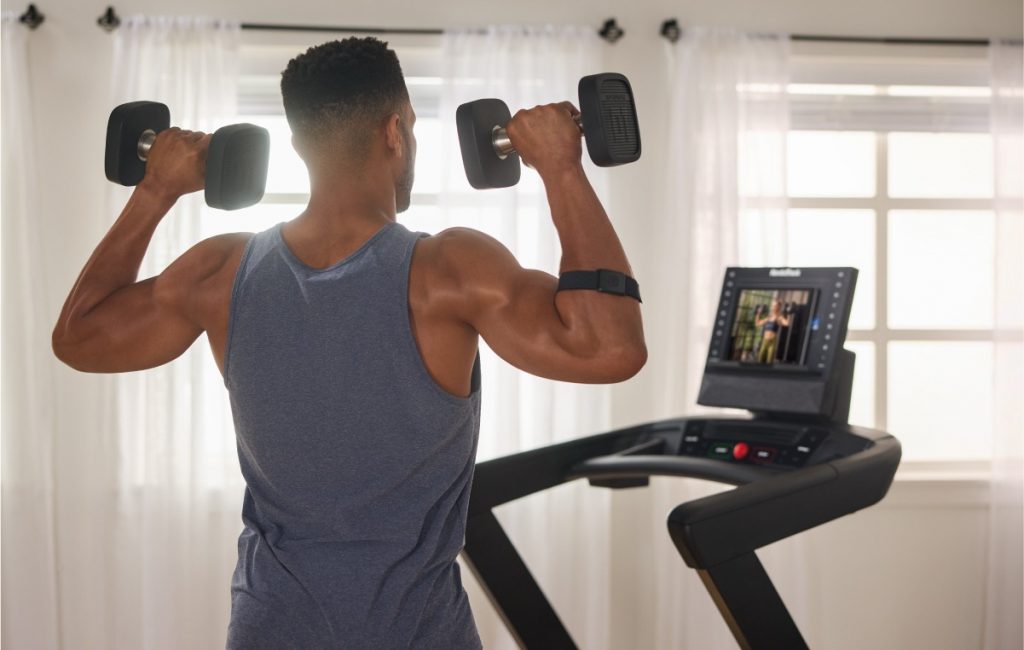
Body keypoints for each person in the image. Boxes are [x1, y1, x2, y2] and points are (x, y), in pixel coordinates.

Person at [52, 37, 646, 648]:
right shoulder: (449, 271)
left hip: (269, 630)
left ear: (299, 143)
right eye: (410, 128)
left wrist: (154, 191)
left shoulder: (219, 272)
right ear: (395, 131)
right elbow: (610, 348)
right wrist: (561, 168)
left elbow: (79, 337)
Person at [754, 299, 791, 364]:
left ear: (778, 307)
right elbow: (757, 324)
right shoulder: (768, 317)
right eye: (772, 305)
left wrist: (788, 313)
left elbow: (787, 323)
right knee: (760, 358)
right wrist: (758, 313)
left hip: (772, 341)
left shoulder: (779, 317)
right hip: (765, 340)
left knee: (769, 360)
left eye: (775, 305)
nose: (773, 307)